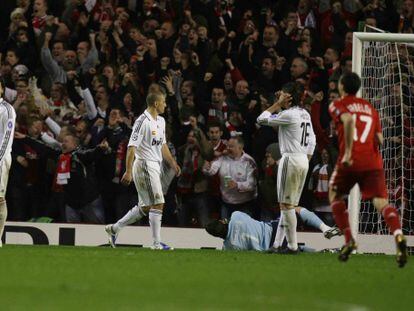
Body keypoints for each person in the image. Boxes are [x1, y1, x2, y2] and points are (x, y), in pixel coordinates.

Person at [328, 72, 408, 267]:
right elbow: (380, 139)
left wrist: (347, 152)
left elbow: (347, 120)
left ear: (342, 86)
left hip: (351, 159)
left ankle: (349, 239)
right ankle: (398, 234)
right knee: (381, 202)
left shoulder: (337, 104)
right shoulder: (370, 107)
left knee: (334, 195)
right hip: (373, 161)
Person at [105, 91, 181, 250]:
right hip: (145, 165)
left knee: (146, 206)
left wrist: (173, 163)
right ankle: (156, 244)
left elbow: (163, 145)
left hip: (155, 165)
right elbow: (131, 147)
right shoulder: (142, 122)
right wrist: (128, 171)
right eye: (164, 102)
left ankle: (114, 228)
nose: (165, 105)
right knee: (158, 202)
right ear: (156, 104)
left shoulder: (161, 121)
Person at [257, 82, 316, 253]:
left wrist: (276, 104)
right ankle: (277, 244)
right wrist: (305, 159)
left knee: (286, 206)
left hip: (290, 159)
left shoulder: (289, 115)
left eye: (283, 95)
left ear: (288, 98)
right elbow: (312, 140)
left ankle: (292, 246)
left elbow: (261, 119)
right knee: (288, 205)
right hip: (303, 159)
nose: (280, 97)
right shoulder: (304, 113)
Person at [205, 209, 340, 252]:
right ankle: (325, 228)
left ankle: (323, 252)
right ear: (222, 221)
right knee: (294, 209)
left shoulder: (229, 247)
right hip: (274, 230)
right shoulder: (236, 216)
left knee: (296, 250)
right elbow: (249, 218)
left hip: (271, 249)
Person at [202, 136, 257, 219]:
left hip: (244, 205)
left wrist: (237, 185)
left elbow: (252, 184)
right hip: (226, 204)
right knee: (225, 230)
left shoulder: (249, 161)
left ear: (240, 148)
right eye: (227, 146)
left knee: (243, 230)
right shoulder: (222, 158)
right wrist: (207, 168)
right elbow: (211, 171)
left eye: (231, 146)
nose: (228, 148)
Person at [0, 78, 16, 247]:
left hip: (1, 160)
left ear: (2, 89)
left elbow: (7, 137)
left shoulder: (7, 109)